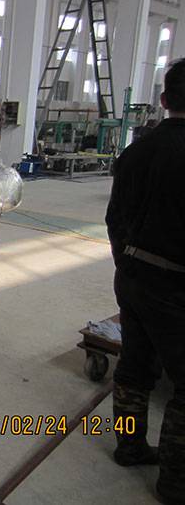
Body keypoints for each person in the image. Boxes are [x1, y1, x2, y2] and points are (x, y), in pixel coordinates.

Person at [106, 58, 185, 504]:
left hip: (133, 277)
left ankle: (129, 445)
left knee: (134, 370)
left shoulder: (136, 153)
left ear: (164, 99)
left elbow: (114, 218)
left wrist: (127, 263)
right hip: (175, 287)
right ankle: (175, 482)